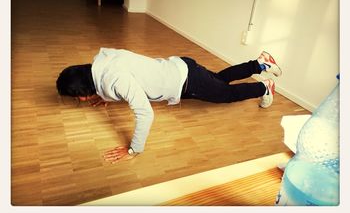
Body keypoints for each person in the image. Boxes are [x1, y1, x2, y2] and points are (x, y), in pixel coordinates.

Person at [56, 48, 282, 163]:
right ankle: (259, 64)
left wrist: (133, 150)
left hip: (186, 82)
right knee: (219, 80)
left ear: (83, 91)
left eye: (78, 97)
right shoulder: (102, 61)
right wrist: (106, 96)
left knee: (227, 94)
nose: (81, 101)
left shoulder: (115, 80)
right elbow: (119, 78)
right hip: (180, 66)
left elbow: (145, 114)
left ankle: (264, 88)